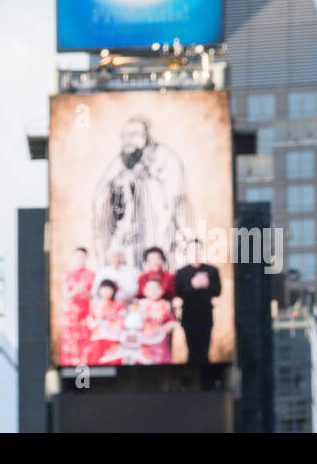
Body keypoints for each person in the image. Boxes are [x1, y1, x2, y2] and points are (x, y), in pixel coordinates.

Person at [91, 117, 190, 269]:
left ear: (146, 136)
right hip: (128, 233)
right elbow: (101, 191)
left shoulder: (165, 157)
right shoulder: (122, 159)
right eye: (125, 136)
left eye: (134, 134)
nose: (128, 140)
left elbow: (174, 195)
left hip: (155, 230)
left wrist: (142, 181)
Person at [173, 239, 221, 364]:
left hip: (206, 315)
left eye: (198, 249)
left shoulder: (211, 270)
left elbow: (217, 291)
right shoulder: (181, 272)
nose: (195, 253)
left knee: (205, 351)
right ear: (186, 252)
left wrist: (206, 285)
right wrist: (193, 286)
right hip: (189, 316)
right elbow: (178, 293)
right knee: (192, 350)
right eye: (192, 250)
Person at [59, 248, 94, 365]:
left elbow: (94, 296)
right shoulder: (67, 275)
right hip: (71, 313)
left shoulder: (92, 275)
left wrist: (84, 291)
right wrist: (76, 290)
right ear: (74, 258)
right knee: (70, 341)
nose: (81, 259)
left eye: (83, 257)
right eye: (78, 257)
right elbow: (66, 295)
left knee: (85, 342)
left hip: (86, 312)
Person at [137, 278, 179, 365]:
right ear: (144, 290)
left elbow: (173, 321)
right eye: (150, 288)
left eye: (156, 288)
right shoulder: (140, 305)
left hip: (161, 342)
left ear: (162, 290)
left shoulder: (166, 304)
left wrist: (169, 325)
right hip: (144, 342)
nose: (153, 291)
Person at [85, 279, 125, 365]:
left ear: (114, 291)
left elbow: (122, 322)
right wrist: (100, 320)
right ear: (99, 290)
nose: (107, 291)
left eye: (110, 289)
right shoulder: (93, 304)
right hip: (97, 339)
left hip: (113, 339)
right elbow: (90, 323)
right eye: (104, 288)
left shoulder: (118, 304)